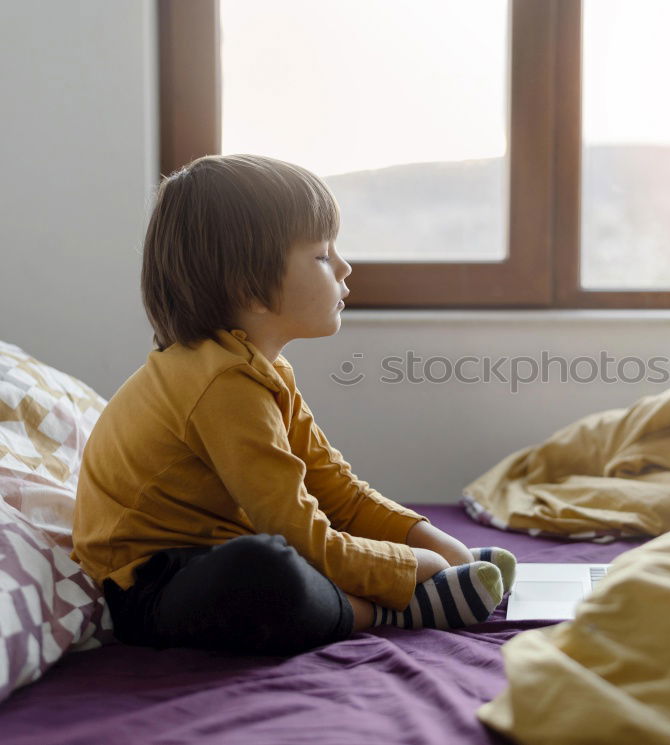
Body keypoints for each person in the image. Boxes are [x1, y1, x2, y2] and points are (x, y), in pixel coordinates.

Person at [70, 154, 517, 656]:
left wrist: (428, 538)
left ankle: (383, 593)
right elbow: (299, 529)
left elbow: (334, 489)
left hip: (211, 550)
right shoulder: (221, 383)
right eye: (323, 255)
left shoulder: (261, 369)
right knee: (266, 568)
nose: (345, 267)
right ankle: (390, 610)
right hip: (151, 588)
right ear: (249, 288)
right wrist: (409, 568)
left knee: (283, 554)